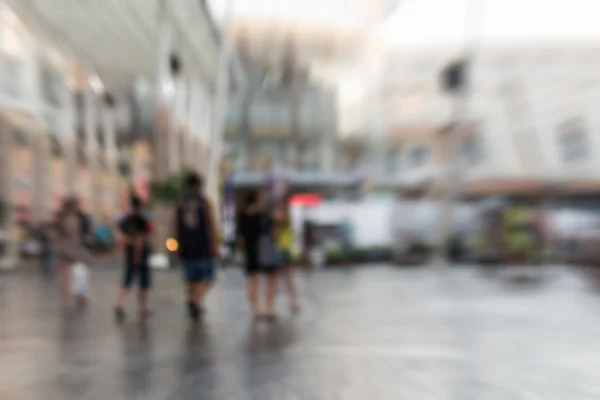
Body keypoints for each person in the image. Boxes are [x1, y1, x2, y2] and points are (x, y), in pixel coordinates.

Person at [173, 172, 219, 321]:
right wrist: (214, 243)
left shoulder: (181, 203)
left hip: (186, 245)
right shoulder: (203, 202)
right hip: (202, 245)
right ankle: (195, 301)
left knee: (190, 278)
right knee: (207, 277)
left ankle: (194, 302)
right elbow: (210, 224)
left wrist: (176, 245)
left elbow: (175, 225)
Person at [237, 190, 278, 320]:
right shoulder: (264, 216)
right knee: (270, 280)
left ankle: (255, 311)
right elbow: (274, 233)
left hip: (251, 252)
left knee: (252, 281)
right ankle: (268, 308)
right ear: (256, 201)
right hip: (265, 251)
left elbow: (240, 238)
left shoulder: (242, 216)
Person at [114, 196, 152, 320]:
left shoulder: (125, 220)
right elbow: (140, 239)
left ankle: (119, 304)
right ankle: (143, 307)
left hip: (129, 254)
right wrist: (138, 254)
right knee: (144, 282)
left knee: (126, 280)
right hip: (140, 255)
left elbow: (121, 238)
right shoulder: (142, 220)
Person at [55, 198, 91, 306]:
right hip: (71, 247)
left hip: (62, 246)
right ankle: (80, 295)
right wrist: (78, 246)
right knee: (80, 271)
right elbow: (74, 235)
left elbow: (59, 233)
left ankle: (65, 298)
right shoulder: (73, 218)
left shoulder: (62, 218)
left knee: (64, 275)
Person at [274, 202, 300, 314]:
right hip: (279, 250)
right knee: (279, 279)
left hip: (284, 250)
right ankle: (273, 303)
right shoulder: (279, 223)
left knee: (287, 278)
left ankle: (294, 301)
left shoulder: (285, 223)